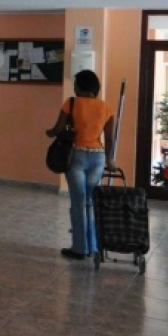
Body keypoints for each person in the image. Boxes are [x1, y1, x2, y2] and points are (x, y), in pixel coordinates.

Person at [46, 69, 117, 261]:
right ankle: (93, 246)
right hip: (98, 158)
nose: (74, 88)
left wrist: (49, 133)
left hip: (76, 155)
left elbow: (57, 129)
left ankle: (79, 248)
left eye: (76, 84)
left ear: (80, 86)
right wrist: (110, 159)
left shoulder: (71, 103)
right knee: (91, 201)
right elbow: (109, 139)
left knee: (78, 202)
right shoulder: (107, 107)